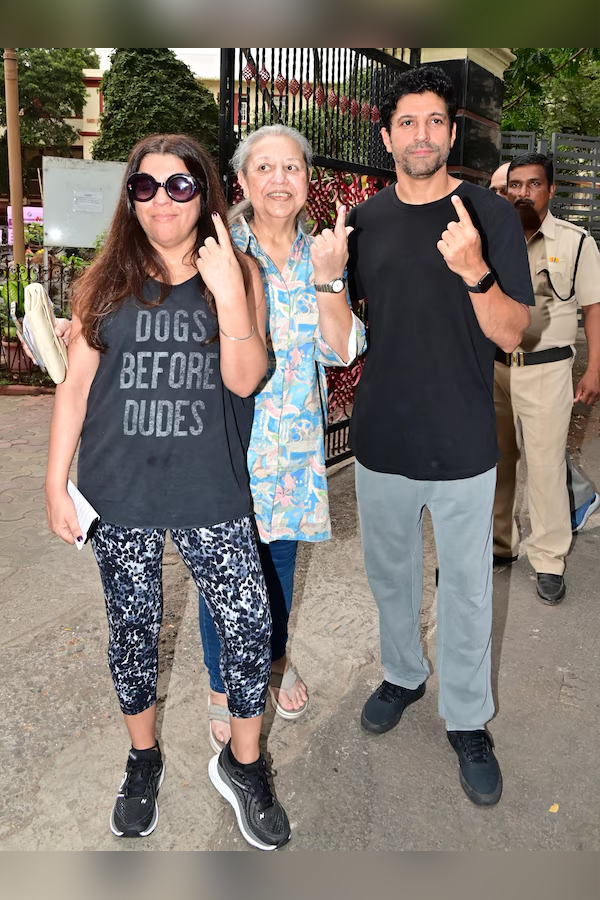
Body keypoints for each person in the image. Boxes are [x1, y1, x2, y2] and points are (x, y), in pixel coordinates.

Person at [45, 133, 292, 851]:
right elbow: (74, 390)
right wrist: (55, 484)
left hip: (210, 486)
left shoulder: (239, 272)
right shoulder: (106, 280)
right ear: (130, 199)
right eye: (145, 187)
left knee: (248, 626)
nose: (162, 200)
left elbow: (246, 379)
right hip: (119, 490)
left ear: (204, 194)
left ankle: (244, 766)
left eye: (179, 186)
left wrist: (225, 296)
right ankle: (142, 759)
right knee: (133, 629)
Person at [347, 66, 534, 807]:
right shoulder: (362, 222)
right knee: (389, 580)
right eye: (407, 122)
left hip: (461, 442)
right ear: (387, 135)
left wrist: (476, 274)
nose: (421, 135)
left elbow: (514, 331)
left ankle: (466, 720)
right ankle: (402, 674)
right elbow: (347, 332)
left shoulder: (487, 213)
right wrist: (330, 283)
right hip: (382, 437)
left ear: (452, 133)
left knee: (464, 591)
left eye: (434, 121)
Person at [200, 124, 366, 752]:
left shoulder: (321, 253)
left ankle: (268, 662)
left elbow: (343, 348)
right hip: (228, 443)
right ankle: (221, 686)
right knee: (226, 576)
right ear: (242, 181)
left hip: (294, 450)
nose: (277, 179)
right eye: (263, 167)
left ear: (307, 180)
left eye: (291, 167)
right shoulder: (218, 251)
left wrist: (330, 277)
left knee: (280, 568)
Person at [493, 153, 600, 604]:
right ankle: (500, 546)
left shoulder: (576, 243)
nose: (522, 193)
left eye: (532, 184)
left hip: (547, 370)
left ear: (550, 190)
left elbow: (594, 307)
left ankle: (549, 559)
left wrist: (595, 367)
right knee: (496, 464)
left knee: (546, 468)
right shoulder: (492, 239)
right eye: (515, 185)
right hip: (495, 369)